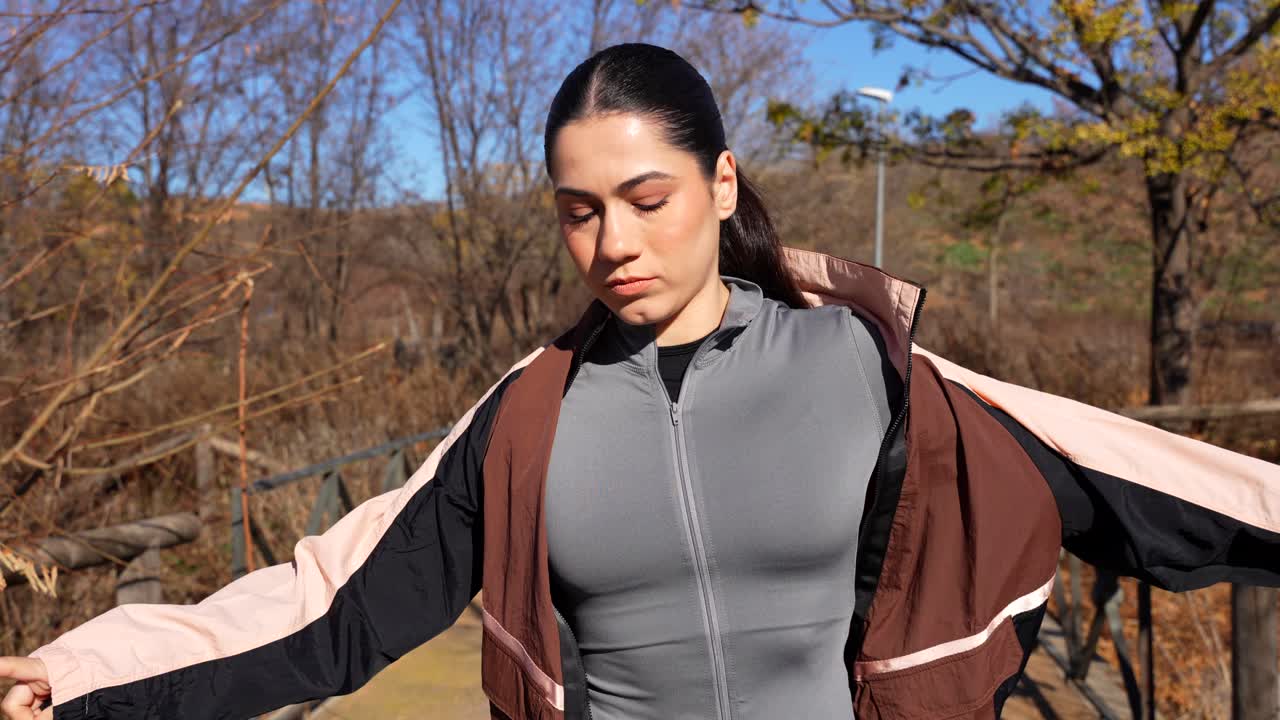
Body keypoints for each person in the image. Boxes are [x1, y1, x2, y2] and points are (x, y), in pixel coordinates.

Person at [3, 42, 1279, 720]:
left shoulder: (871, 370)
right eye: (578, 210)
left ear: (720, 187)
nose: (611, 241)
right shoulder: (528, 418)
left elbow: (1143, 480)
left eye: (645, 197)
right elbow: (325, 604)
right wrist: (78, 674)